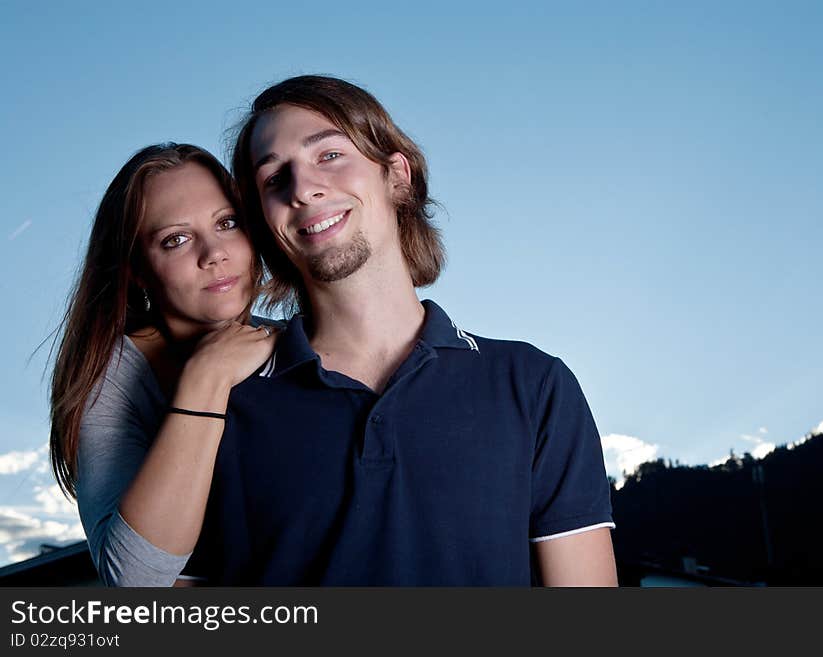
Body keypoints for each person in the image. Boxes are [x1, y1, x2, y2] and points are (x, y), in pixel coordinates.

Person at [185, 75, 617, 585]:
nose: (303, 189)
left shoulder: (532, 384)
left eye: (328, 156)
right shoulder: (222, 405)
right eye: (275, 179)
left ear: (397, 175)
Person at [49, 143, 279, 586]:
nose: (214, 253)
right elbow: (136, 581)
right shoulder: (109, 374)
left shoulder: (298, 342)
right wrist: (206, 376)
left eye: (227, 223)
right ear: (137, 270)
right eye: (176, 239)